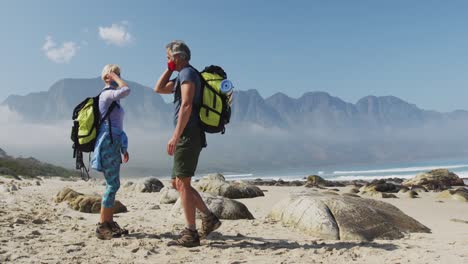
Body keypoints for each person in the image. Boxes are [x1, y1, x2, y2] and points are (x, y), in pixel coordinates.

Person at [154, 40, 221, 247]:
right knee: (178, 183)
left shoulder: (188, 74)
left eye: (168, 57)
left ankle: (191, 232)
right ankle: (209, 218)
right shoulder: (181, 75)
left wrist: (176, 135)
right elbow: (158, 89)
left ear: (178, 56)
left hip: (188, 134)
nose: (167, 60)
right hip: (187, 134)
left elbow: (186, 104)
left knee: (183, 183)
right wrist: (168, 69)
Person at [91, 64, 131, 240]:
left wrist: (123, 148)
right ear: (106, 77)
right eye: (112, 74)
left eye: (118, 74)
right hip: (107, 143)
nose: (116, 76)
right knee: (112, 184)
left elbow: (118, 127)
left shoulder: (113, 99)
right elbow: (127, 89)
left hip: (113, 143)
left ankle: (108, 223)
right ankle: (102, 226)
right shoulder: (107, 95)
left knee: (113, 184)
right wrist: (115, 77)